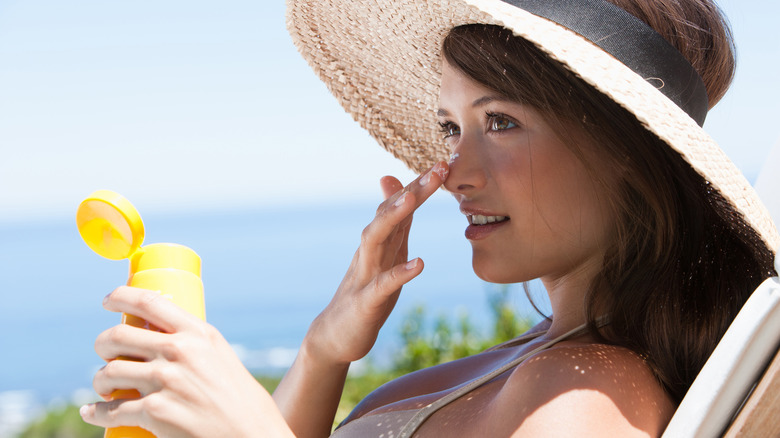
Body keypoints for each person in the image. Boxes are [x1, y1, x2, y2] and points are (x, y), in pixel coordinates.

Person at [80, 0, 779, 436]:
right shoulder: (544, 361)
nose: (455, 174)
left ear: (627, 152)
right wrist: (325, 350)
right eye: (451, 127)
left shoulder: (587, 395)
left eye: (501, 121)